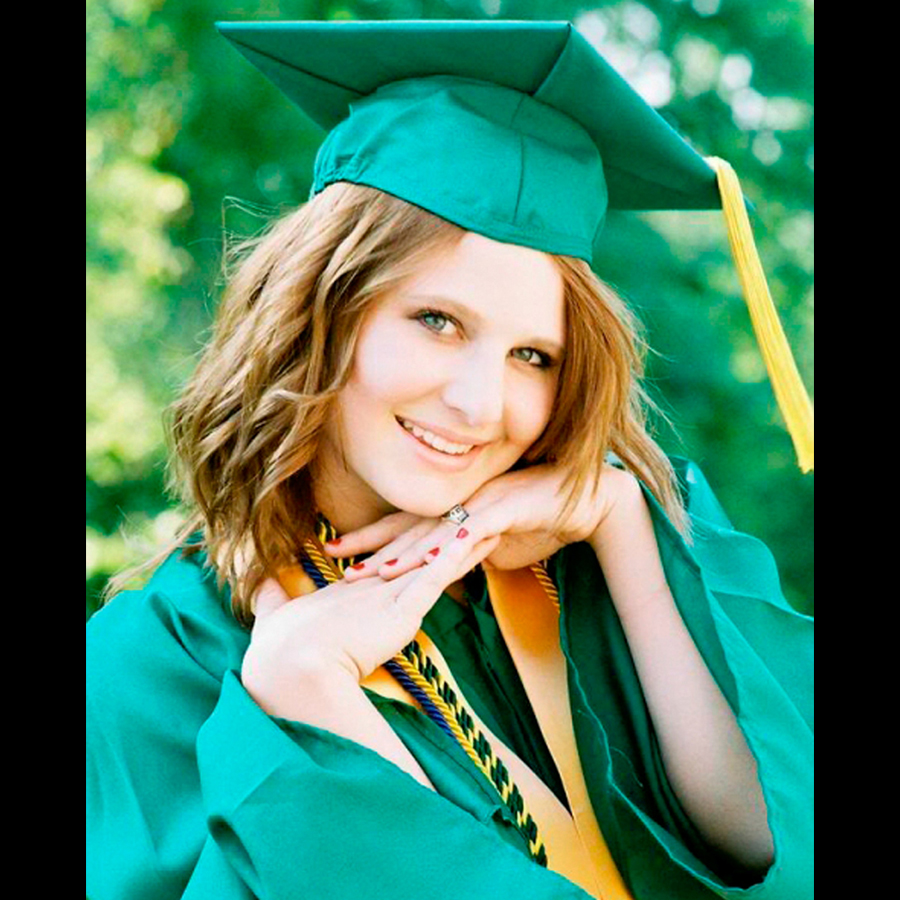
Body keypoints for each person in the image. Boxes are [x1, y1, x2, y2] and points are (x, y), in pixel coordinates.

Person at [86, 19, 813, 900]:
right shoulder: (161, 661)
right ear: (320, 313)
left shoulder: (589, 566)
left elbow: (769, 848)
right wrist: (308, 689)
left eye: (532, 357)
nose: (478, 403)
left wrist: (623, 522)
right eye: (437, 321)